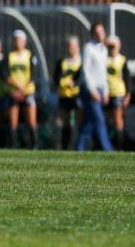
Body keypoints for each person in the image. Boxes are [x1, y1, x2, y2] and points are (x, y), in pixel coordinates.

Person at [76, 23, 113, 151]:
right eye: (97, 32)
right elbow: (85, 71)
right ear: (92, 34)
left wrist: (106, 91)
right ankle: (109, 150)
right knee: (99, 120)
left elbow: (103, 73)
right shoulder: (88, 48)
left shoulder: (103, 49)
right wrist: (92, 90)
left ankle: (79, 148)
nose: (100, 34)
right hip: (90, 90)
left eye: (102, 31)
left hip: (101, 89)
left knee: (88, 123)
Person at [4, 30, 38, 149]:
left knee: (31, 120)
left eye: (20, 40)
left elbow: (33, 74)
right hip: (13, 92)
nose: (18, 43)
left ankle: (34, 145)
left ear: (24, 42)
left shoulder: (30, 55)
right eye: (16, 40)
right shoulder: (9, 56)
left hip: (27, 92)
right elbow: (5, 75)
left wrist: (23, 87)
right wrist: (17, 86)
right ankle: (14, 145)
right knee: (13, 122)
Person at [53, 35, 83, 150]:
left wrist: (74, 82)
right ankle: (65, 147)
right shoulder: (62, 62)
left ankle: (79, 147)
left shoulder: (82, 62)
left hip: (77, 95)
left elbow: (81, 78)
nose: (71, 48)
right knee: (65, 123)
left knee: (79, 122)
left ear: (78, 47)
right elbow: (56, 79)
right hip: (64, 95)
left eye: (73, 46)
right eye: (69, 46)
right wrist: (66, 82)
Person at [105, 35, 130, 150]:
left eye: (113, 46)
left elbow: (127, 79)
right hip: (105, 94)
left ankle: (119, 147)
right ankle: (107, 146)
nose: (111, 48)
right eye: (109, 46)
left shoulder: (122, 60)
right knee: (106, 121)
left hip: (118, 94)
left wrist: (127, 95)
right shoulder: (104, 59)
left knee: (118, 121)